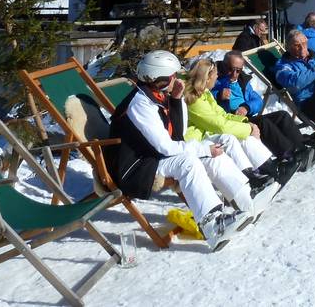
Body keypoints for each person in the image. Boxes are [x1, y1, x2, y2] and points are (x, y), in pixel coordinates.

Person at [104, 50, 257, 250]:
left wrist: (177, 100)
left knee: (210, 154)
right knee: (189, 162)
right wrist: (203, 149)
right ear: (161, 78)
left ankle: (245, 201)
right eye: (173, 75)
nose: (176, 79)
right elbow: (166, 146)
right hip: (135, 168)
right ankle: (213, 225)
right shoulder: (140, 104)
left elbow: (179, 134)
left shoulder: (156, 96)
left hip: (152, 157)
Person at [185, 60, 300, 188]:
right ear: (207, 78)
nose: (217, 76)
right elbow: (219, 125)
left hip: (217, 128)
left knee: (250, 131)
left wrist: (246, 120)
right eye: (216, 74)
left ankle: (271, 168)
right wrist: (248, 128)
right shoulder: (195, 98)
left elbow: (224, 115)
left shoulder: (206, 94)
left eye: (238, 70)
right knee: (231, 138)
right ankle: (251, 177)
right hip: (199, 139)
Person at [214, 51, 315, 166]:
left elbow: (257, 100)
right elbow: (205, 96)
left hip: (246, 116)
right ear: (224, 65)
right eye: (231, 69)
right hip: (231, 120)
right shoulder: (214, 79)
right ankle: (288, 156)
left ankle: (302, 150)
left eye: (238, 70)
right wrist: (218, 95)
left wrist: (246, 107)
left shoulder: (242, 80)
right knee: (263, 122)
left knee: (282, 115)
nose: (234, 74)